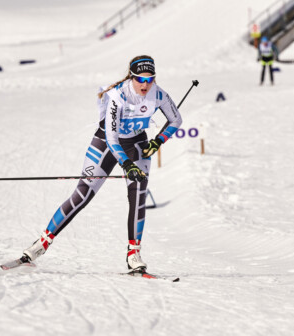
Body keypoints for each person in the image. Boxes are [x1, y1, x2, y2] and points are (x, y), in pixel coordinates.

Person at [15, 55, 182, 272]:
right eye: (140, 79)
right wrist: (127, 164)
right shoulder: (118, 96)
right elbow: (112, 139)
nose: (145, 84)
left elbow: (176, 120)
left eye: (150, 79)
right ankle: (41, 243)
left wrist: (158, 141)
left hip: (136, 144)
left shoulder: (158, 94)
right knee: (82, 194)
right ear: (131, 77)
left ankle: (134, 254)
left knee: (138, 195)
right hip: (105, 143)